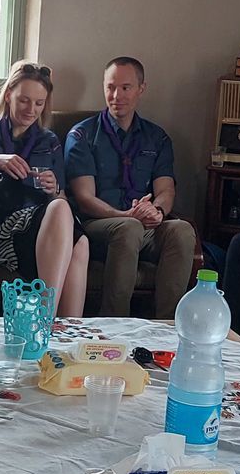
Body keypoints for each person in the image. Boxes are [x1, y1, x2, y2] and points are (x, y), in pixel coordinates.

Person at [65, 57, 198, 318]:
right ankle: (115, 322)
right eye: (110, 87)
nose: (117, 96)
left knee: (182, 230)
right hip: (98, 225)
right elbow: (84, 198)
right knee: (128, 228)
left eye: (125, 88)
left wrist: (156, 211)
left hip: (144, 226)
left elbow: (166, 189)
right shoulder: (82, 135)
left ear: (141, 89)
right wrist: (125, 215)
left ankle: (166, 326)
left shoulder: (156, 137)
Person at [0, 60, 88, 316]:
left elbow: (60, 196)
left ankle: (69, 330)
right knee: (63, 215)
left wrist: (53, 189)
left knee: (80, 241)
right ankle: (45, 319)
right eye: (24, 100)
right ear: (8, 95)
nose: (31, 110)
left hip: (38, 224)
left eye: (39, 103)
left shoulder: (48, 140)